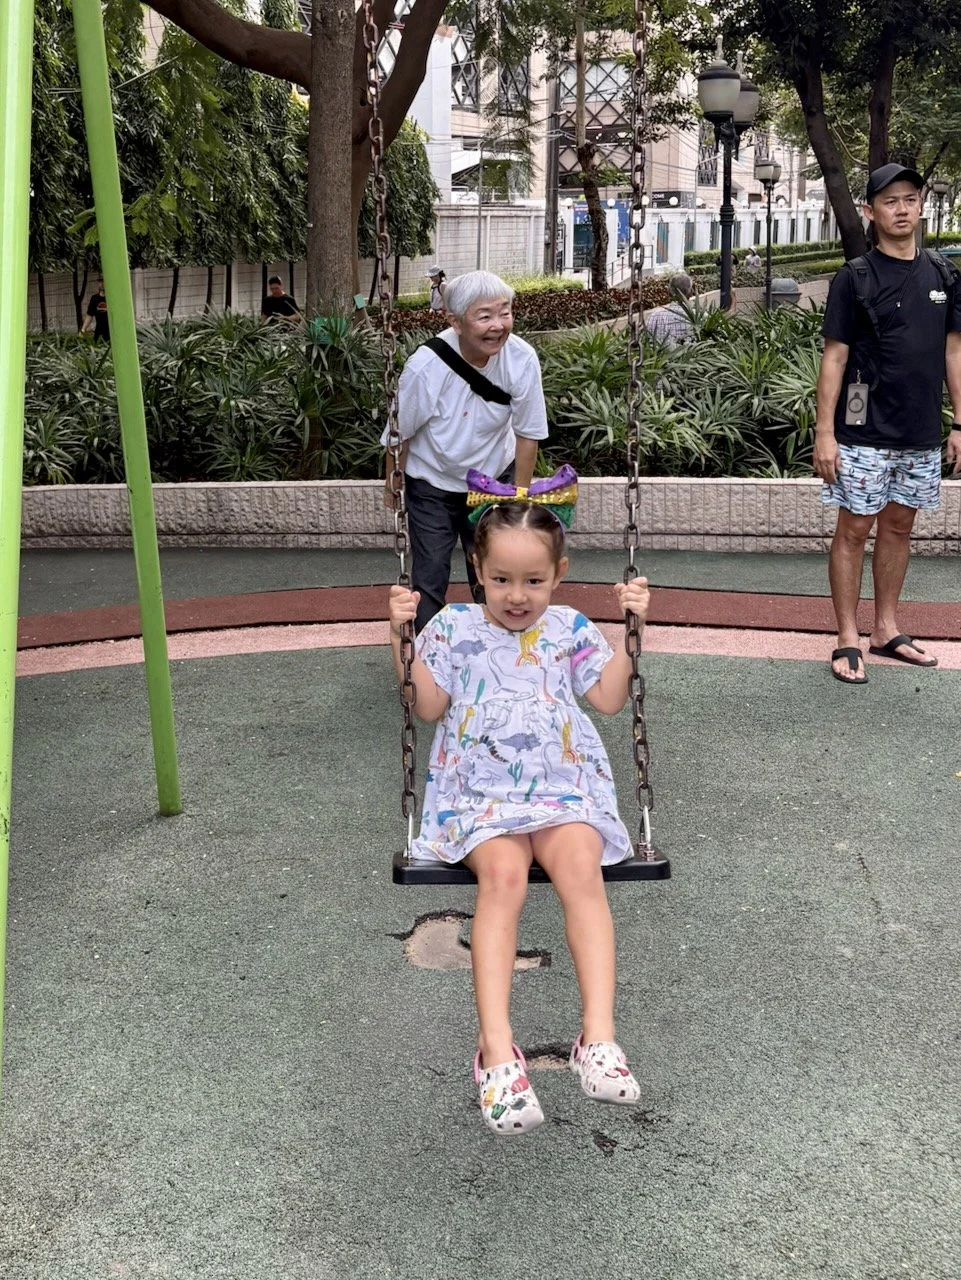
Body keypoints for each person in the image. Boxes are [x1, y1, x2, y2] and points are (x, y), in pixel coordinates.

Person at [387, 475, 648, 1135]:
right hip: (479, 796)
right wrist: (401, 637)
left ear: (559, 574)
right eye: (501, 579)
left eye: (533, 581)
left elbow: (608, 699)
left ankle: (598, 1038)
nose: (516, 595)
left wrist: (633, 630)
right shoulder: (451, 627)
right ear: (477, 569)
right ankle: (497, 1052)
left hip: (562, 788)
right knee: (503, 878)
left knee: (581, 870)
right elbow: (427, 706)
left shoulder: (568, 627)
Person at [815, 162, 961, 684]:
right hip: (862, 429)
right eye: (890, 201)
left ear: (921, 206)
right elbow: (834, 357)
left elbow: (953, 351)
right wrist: (825, 433)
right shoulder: (854, 277)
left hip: (919, 431)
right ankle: (847, 637)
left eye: (910, 199)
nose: (902, 209)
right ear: (870, 211)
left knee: (899, 528)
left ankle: (885, 629)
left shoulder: (943, 274)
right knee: (854, 530)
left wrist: (959, 423)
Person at [382, 269, 548, 633]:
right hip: (432, 483)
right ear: (455, 321)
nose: (498, 325)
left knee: (496, 571)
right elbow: (399, 433)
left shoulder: (521, 358)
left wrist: (519, 498)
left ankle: (501, 647)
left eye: (505, 313)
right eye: (484, 316)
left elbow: (528, 434)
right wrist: (392, 485)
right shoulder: (426, 366)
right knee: (430, 573)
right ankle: (426, 655)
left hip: (492, 481)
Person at [644, 271, 696, 345]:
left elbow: (647, 342)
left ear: (669, 292)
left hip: (661, 352)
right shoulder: (698, 317)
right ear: (691, 292)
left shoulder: (653, 317)